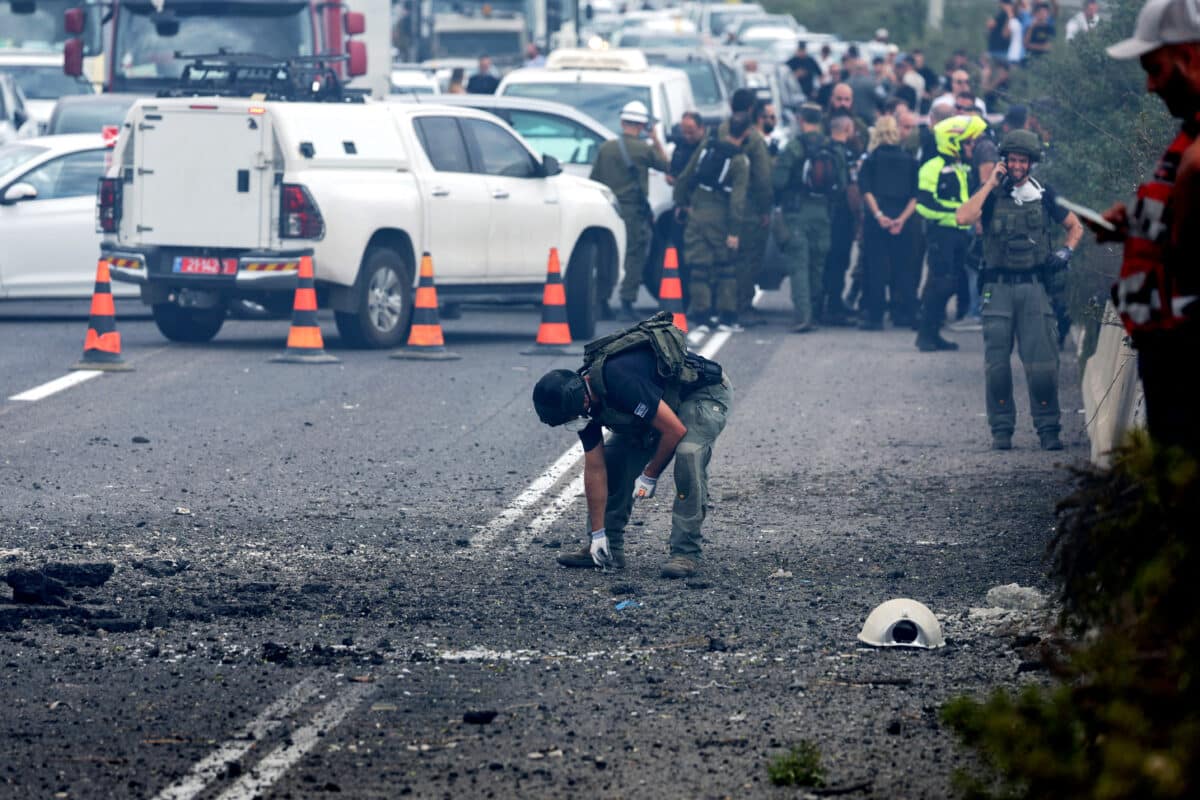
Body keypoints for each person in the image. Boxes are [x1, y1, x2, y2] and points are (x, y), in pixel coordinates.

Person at [532, 313, 733, 579]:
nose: (573, 425)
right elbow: (595, 468)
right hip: (659, 405)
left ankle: (685, 552)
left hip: (701, 394)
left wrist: (650, 474)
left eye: (570, 420)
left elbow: (674, 431)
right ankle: (607, 550)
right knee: (614, 461)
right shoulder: (583, 404)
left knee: (688, 455)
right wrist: (598, 533)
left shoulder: (619, 380)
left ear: (580, 401)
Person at [1093, 0, 1200, 457]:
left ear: (1190, 57)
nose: (1150, 86)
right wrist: (1136, 225)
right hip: (1169, 356)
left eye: (1155, 69)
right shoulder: (1188, 139)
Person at [956, 129, 1082, 450]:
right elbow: (962, 217)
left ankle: (1048, 429)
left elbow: (1075, 226)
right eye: (1011, 159)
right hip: (997, 288)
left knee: (1042, 364)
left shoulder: (1044, 195)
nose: (1016, 165)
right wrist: (989, 184)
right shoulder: (991, 195)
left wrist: (1066, 252)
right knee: (996, 365)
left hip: (1034, 286)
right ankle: (1001, 430)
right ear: (1004, 160)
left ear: (1030, 163)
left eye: (1021, 160)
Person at [590, 101, 669, 321]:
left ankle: (601, 301)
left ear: (623, 121)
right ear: (643, 125)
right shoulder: (644, 150)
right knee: (634, 255)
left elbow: (594, 180)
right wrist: (655, 138)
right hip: (633, 212)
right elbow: (666, 165)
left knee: (607, 255)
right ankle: (626, 301)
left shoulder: (607, 148)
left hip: (609, 209)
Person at [915, 114, 988, 352]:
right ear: (952, 142)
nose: (972, 146)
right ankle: (925, 335)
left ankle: (934, 333)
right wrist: (958, 211)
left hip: (960, 235)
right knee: (940, 283)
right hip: (941, 234)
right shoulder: (932, 167)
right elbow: (924, 204)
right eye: (967, 142)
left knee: (954, 283)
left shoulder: (962, 168)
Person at [674, 112, 751, 332]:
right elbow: (738, 200)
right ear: (746, 133)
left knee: (699, 267)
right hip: (720, 215)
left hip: (697, 211)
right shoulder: (740, 160)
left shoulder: (707, 148)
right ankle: (726, 317)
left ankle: (703, 317)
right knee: (726, 266)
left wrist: (682, 203)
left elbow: (684, 177)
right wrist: (734, 231)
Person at [773, 103, 846, 333]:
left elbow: (778, 181)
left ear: (801, 119)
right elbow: (842, 184)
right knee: (817, 263)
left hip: (797, 211)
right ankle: (815, 310)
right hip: (823, 211)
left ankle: (804, 315)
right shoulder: (832, 147)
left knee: (799, 265)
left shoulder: (794, 147)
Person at [858, 115, 919, 330]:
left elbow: (866, 190)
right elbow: (915, 194)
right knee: (904, 268)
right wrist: (901, 219)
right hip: (904, 219)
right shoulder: (910, 160)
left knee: (876, 268)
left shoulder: (871, 160)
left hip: (879, 221)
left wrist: (878, 215)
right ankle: (906, 313)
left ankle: (875, 316)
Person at [722, 89, 774, 325]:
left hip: (719, 204)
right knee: (748, 258)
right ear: (752, 109)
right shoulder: (753, 138)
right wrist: (765, 209)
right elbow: (763, 178)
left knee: (725, 259)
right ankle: (742, 306)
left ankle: (721, 304)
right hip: (749, 208)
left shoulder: (721, 130)